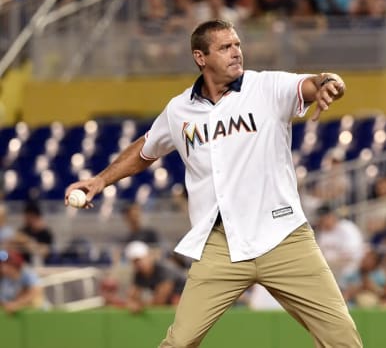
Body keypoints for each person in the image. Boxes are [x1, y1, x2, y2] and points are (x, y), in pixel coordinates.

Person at [66, 19, 362, 347]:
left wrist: (331, 83)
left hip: (283, 236)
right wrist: (100, 181)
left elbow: (315, 82)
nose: (236, 52)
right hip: (222, 244)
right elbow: (145, 150)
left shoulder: (266, 87)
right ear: (200, 57)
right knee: (178, 343)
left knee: (342, 339)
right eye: (225, 47)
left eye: (237, 44)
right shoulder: (179, 110)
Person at [124, 240, 186, 312]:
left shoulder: (165, 269)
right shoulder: (139, 275)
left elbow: (160, 299)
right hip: (172, 302)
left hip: (188, 297)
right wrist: (133, 303)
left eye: (140, 260)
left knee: (176, 301)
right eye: (135, 262)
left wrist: (140, 305)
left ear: (149, 256)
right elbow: (132, 297)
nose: (139, 264)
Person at [313, 205, 365, 288]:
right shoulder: (322, 233)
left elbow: (352, 254)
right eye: (321, 219)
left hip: (353, 272)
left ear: (331, 216)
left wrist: (333, 259)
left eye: (324, 218)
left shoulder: (347, 227)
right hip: (333, 274)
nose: (322, 221)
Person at [0, 249, 43, 313]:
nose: (3, 267)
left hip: (34, 313)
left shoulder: (27, 273)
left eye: (6, 264)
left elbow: (37, 291)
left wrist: (17, 304)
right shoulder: (4, 279)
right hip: (9, 315)